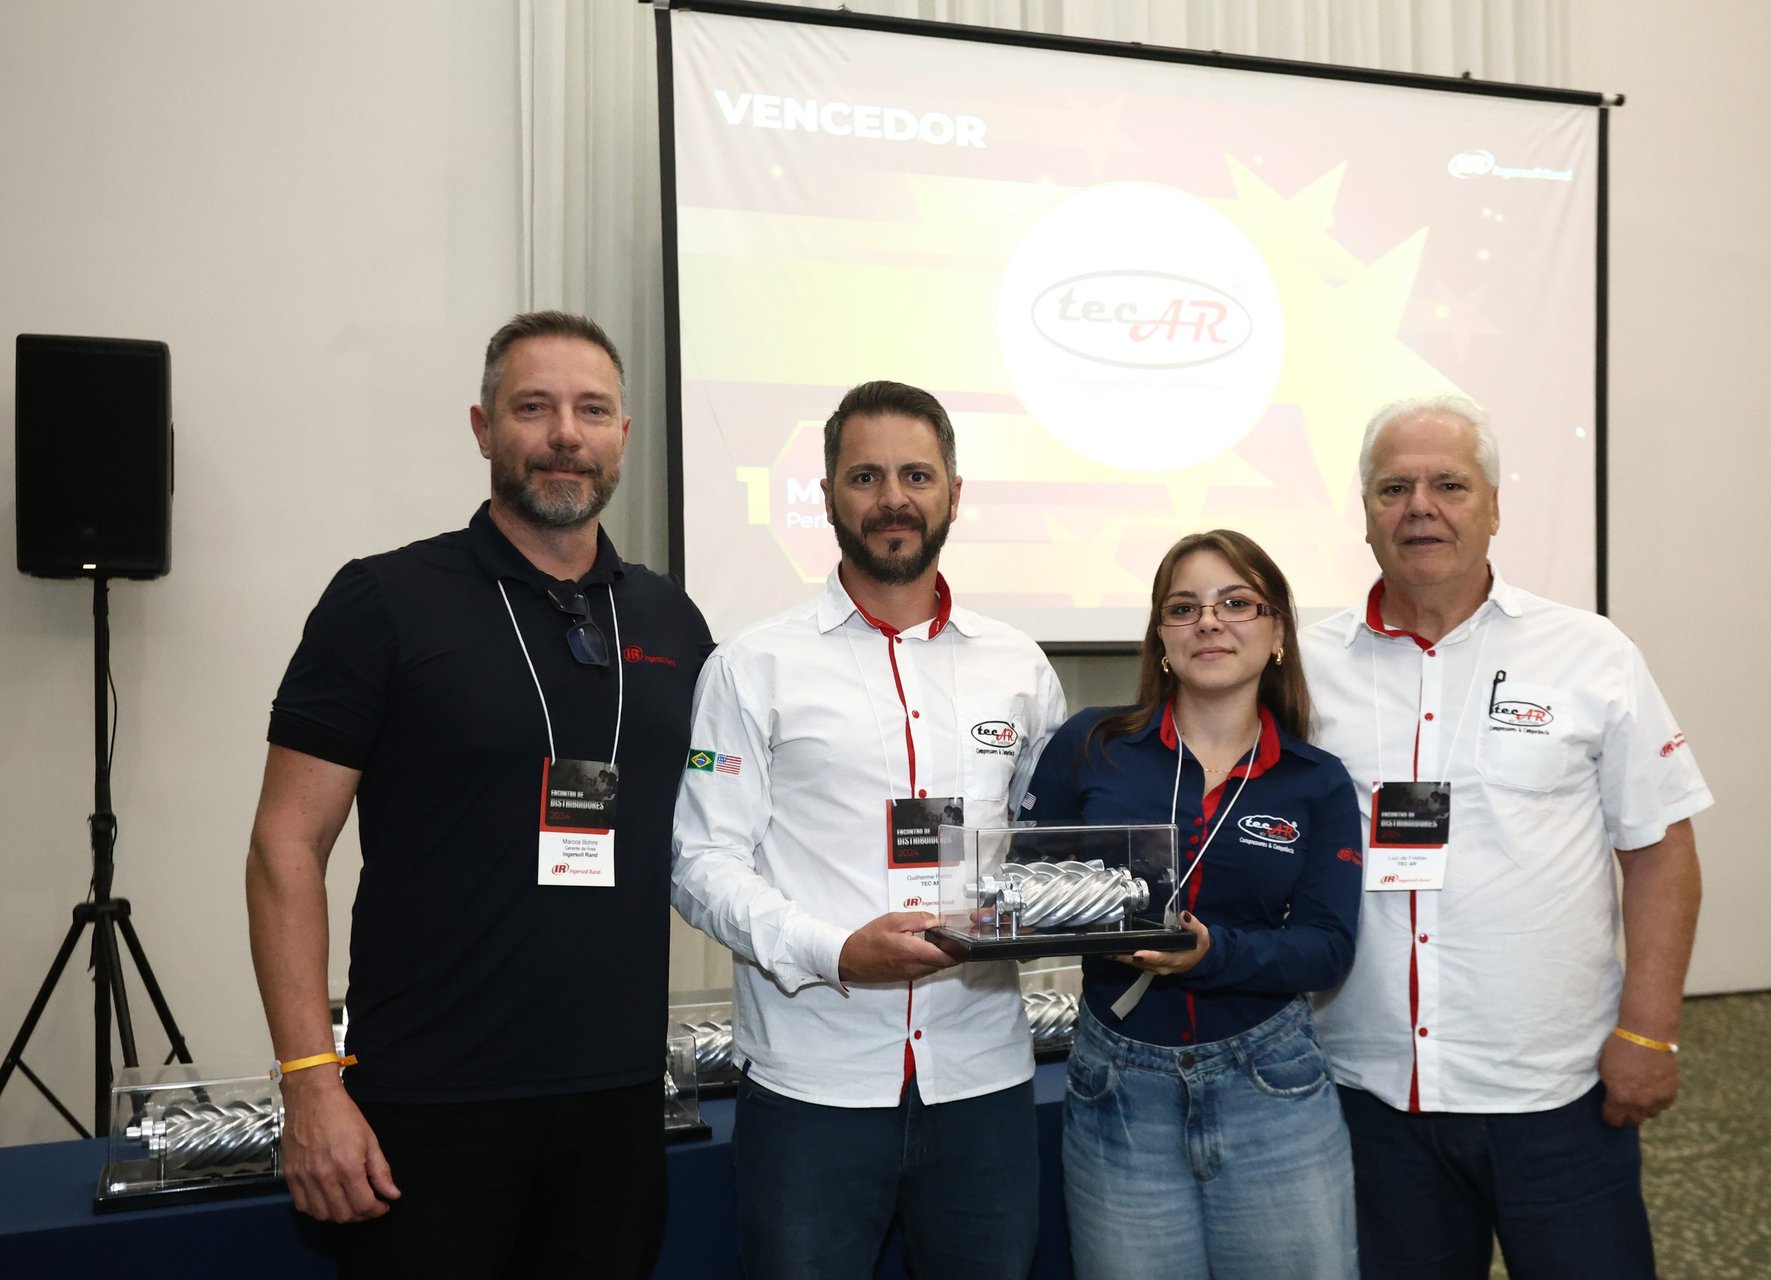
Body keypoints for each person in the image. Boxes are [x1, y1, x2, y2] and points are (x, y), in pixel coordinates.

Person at [245, 312, 711, 1277]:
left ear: (624, 434)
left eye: (591, 410)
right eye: (532, 407)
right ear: (483, 426)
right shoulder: (382, 601)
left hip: (620, 1107)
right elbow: (285, 845)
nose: (564, 435)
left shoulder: (672, 615)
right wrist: (309, 1083)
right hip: (427, 1112)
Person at [1302, 394, 1712, 1279]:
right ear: (1365, 513)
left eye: (1450, 484)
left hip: (1555, 1093)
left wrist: (1649, 1032)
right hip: (1367, 1089)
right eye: (1393, 487)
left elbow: (1659, 852)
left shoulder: (1591, 655)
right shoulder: (1304, 666)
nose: (1421, 507)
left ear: (1494, 506)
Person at [671, 380, 1066, 1280]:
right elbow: (700, 861)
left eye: (917, 474)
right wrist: (835, 950)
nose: (894, 498)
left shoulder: (1020, 665)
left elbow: (1049, 851)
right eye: (866, 476)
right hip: (814, 1088)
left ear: (954, 495)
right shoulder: (752, 665)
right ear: (826, 495)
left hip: (985, 1086)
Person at [1023, 529, 1364, 1279]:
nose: (1210, 621)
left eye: (1236, 602)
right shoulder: (1091, 746)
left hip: (1271, 1086)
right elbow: (1021, 886)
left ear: (1277, 634)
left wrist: (1217, 955)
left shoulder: (1316, 781)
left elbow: (1327, 947)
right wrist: (1083, 925)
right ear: (1162, 637)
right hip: (1116, 1086)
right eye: (1185, 607)